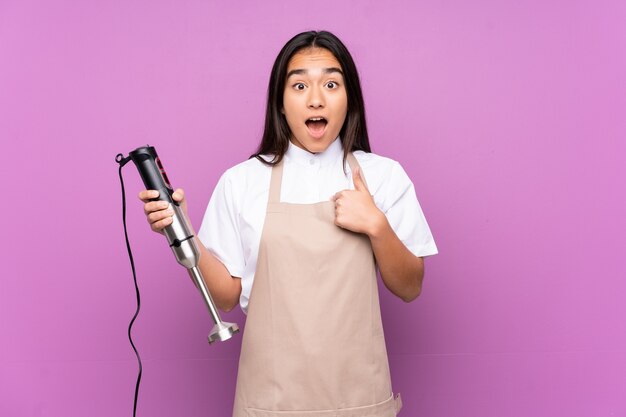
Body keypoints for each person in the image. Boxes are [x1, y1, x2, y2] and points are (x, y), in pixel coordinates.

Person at [139, 30, 437, 417]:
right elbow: (227, 297)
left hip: (359, 400)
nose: (316, 98)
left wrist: (377, 225)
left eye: (331, 83)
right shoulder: (242, 181)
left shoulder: (384, 176)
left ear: (350, 99)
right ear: (280, 103)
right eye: (299, 85)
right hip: (271, 402)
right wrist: (182, 234)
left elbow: (410, 286)